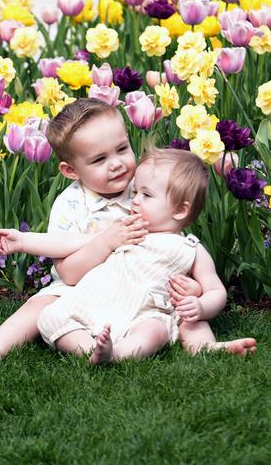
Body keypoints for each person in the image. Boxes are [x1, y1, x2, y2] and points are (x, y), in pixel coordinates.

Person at [23, 148, 256, 363]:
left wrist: (201, 306)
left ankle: (195, 347)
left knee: (159, 328)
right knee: (53, 316)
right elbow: (66, 242)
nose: (134, 200)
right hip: (99, 302)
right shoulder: (126, 229)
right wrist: (23, 240)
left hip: (146, 313)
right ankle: (89, 348)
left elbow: (216, 290)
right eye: (136, 191)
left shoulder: (191, 248)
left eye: (146, 195)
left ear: (180, 210)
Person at [0, 98, 150, 365]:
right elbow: (69, 274)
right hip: (80, 287)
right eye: (99, 159)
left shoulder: (144, 189)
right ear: (71, 170)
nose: (116, 164)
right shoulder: (70, 205)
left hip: (131, 284)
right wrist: (106, 242)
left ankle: (127, 346)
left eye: (122, 149)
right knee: (38, 306)